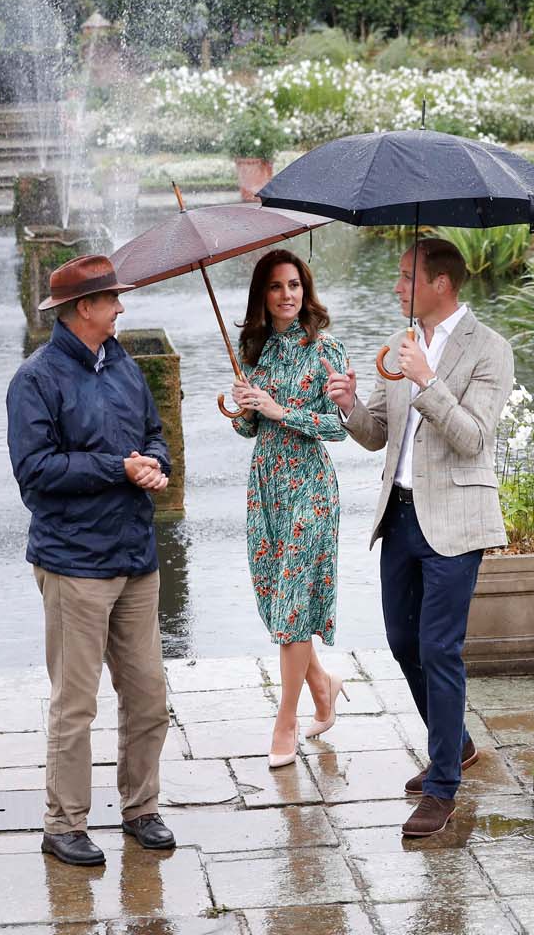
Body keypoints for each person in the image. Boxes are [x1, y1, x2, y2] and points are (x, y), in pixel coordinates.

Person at [323, 238, 515, 837]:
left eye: (408, 277)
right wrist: (350, 404)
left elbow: (473, 439)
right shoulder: (400, 345)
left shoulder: (490, 350)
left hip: (456, 521)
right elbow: (378, 434)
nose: (398, 286)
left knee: (439, 647)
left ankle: (441, 789)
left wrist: (428, 380)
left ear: (442, 284)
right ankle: (454, 743)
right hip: (399, 517)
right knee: (403, 640)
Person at [6, 253, 177, 866]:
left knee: (149, 696)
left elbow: (154, 433)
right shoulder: (36, 379)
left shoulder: (125, 366)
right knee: (75, 704)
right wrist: (117, 467)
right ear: (85, 309)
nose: (121, 309)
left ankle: (141, 809)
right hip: (74, 565)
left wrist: (156, 463)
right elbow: (35, 474)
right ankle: (64, 824)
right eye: (112, 301)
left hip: (135, 557)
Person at [229, 249, 350, 769]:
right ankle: (323, 684)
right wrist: (242, 407)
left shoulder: (326, 350)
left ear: (306, 290)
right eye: (276, 287)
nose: (287, 295)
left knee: (295, 605)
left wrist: (281, 410)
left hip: (311, 487)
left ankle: (286, 721)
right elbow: (249, 429)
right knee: (281, 604)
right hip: (266, 488)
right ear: (263, 295)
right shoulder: (253, 351)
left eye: (294, 285)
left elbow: (340, 427)